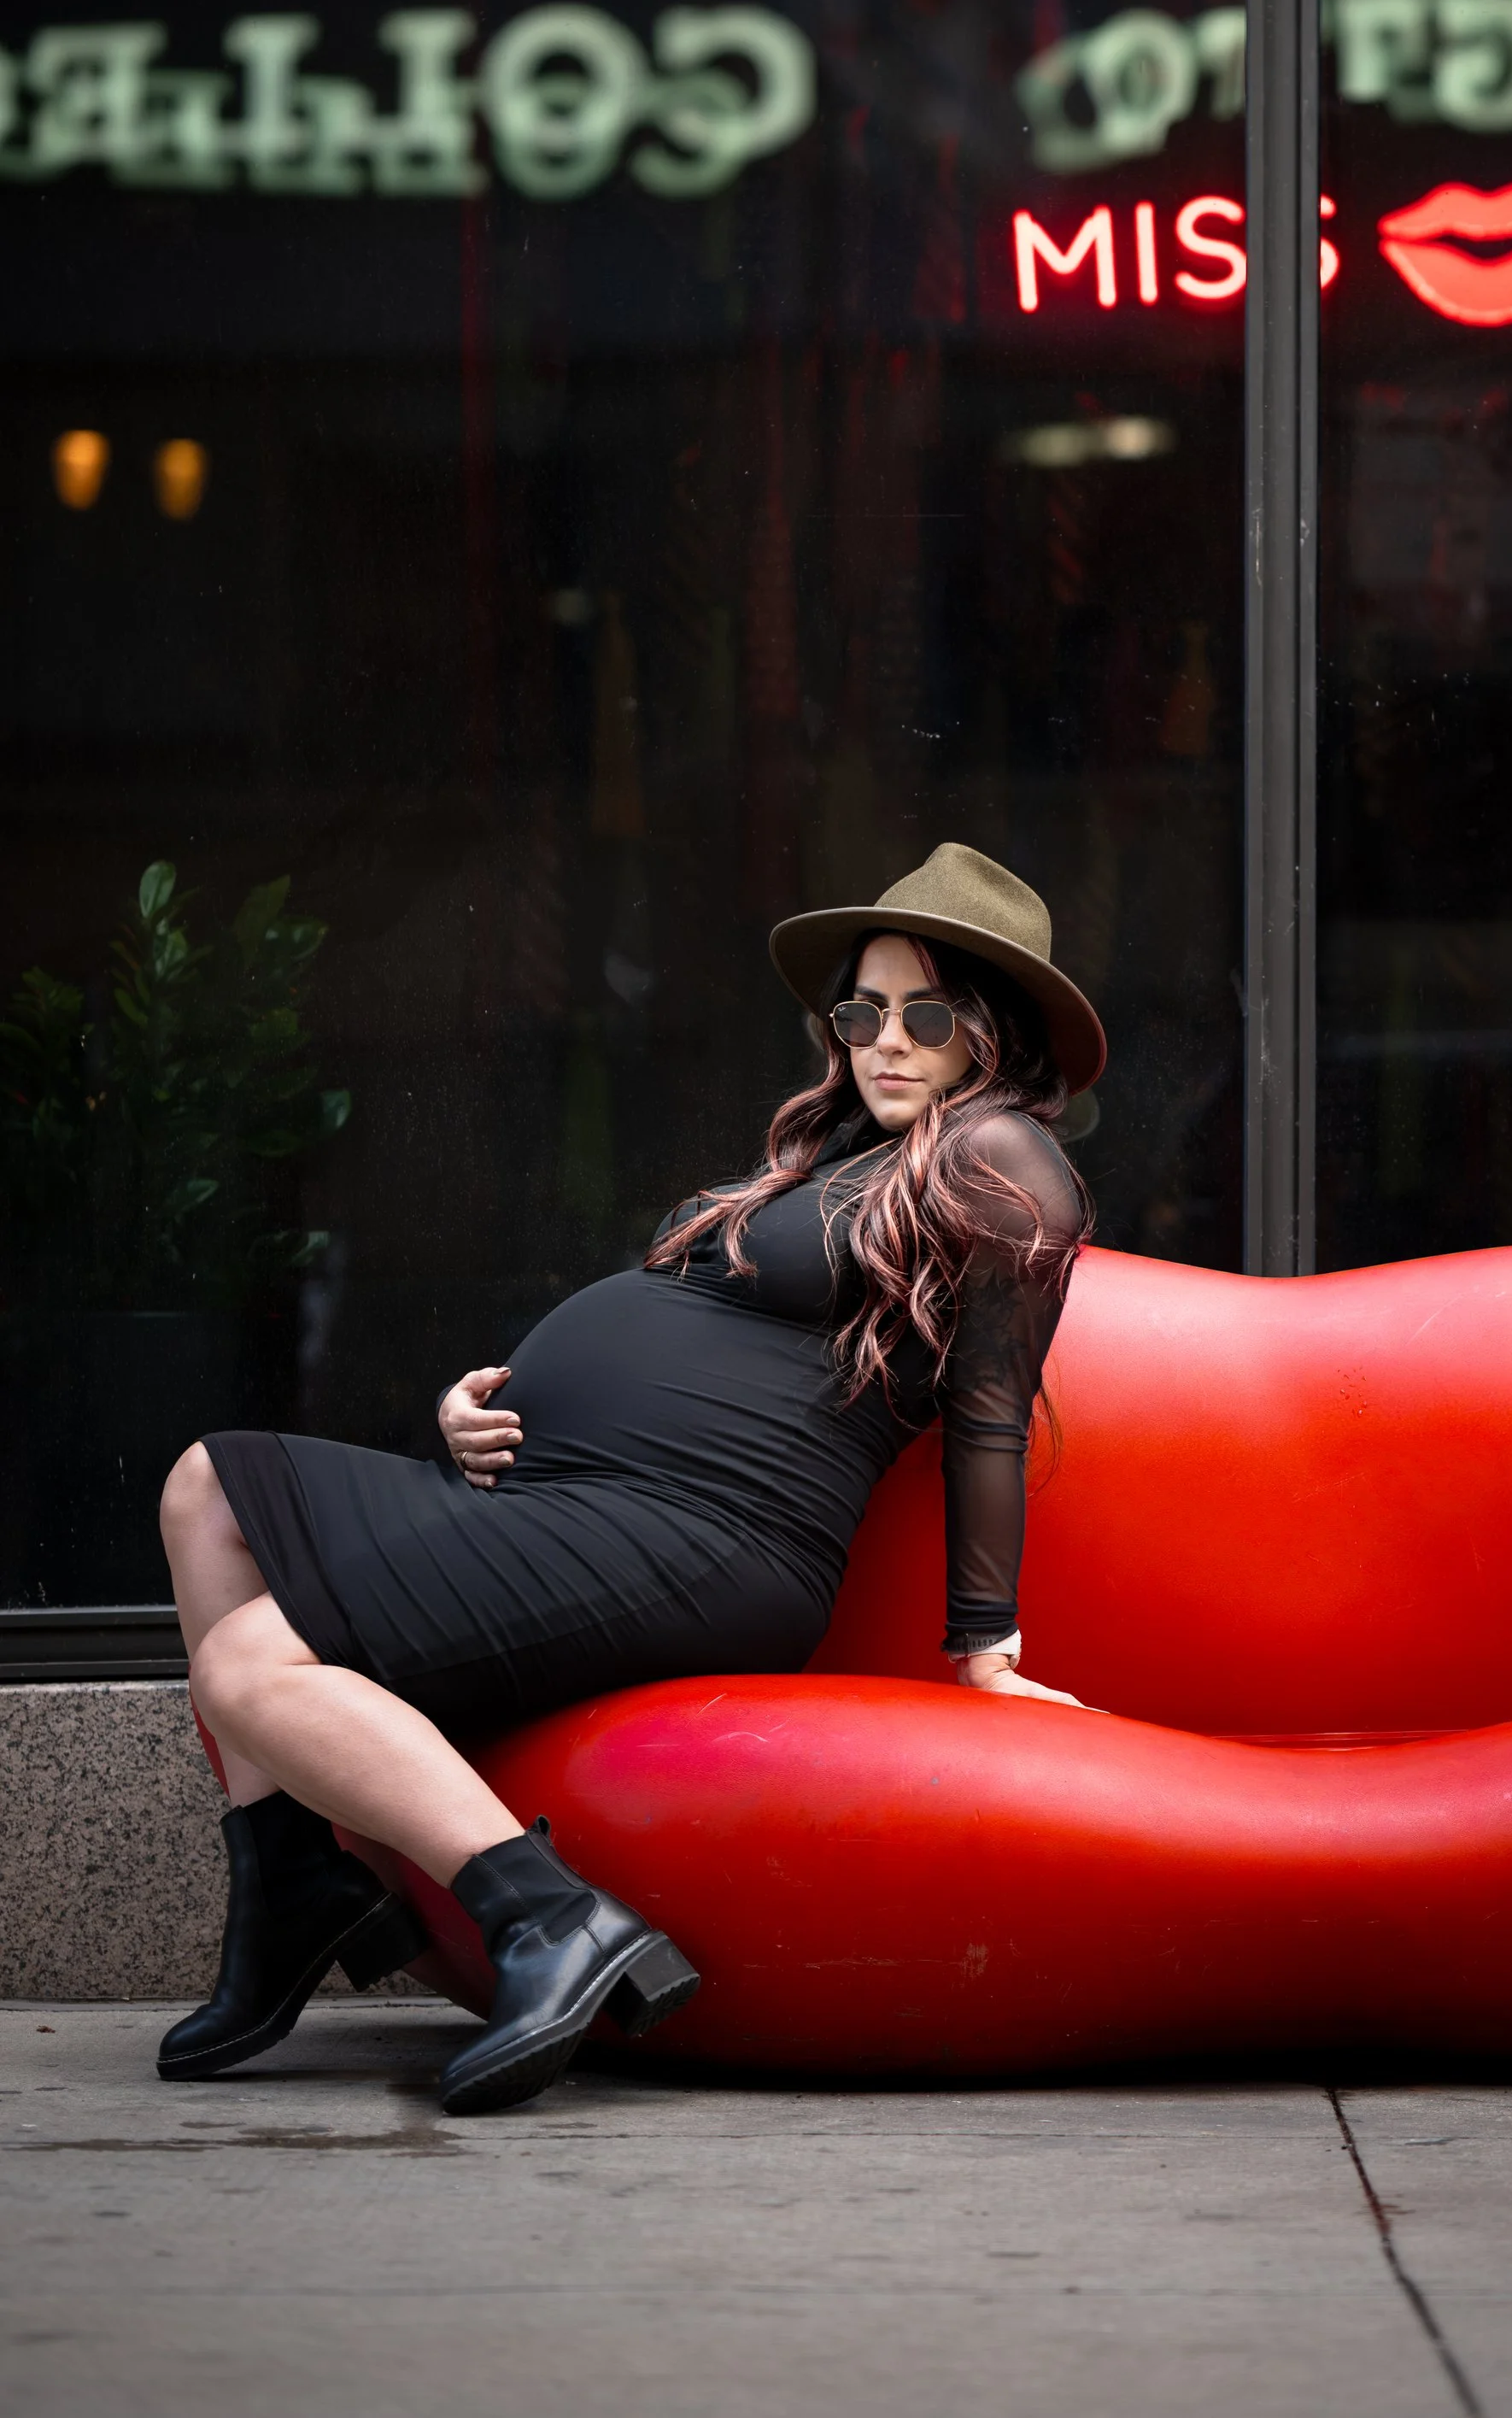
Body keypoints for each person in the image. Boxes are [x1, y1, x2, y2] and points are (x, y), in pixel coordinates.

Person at [155, 844, 1100, 2116]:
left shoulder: (1001, 1158)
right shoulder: (839, 1153)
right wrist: (485, 1408)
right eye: (860, 1010)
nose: (883, 1038)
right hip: (591, 1496)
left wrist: (986, 1644)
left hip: (710, 1532)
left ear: (990, 1033)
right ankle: (293, 1885)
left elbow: (990, 1413)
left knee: (244, 1668)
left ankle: (548, 1919)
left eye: (923, 1014)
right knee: (204, 1487)